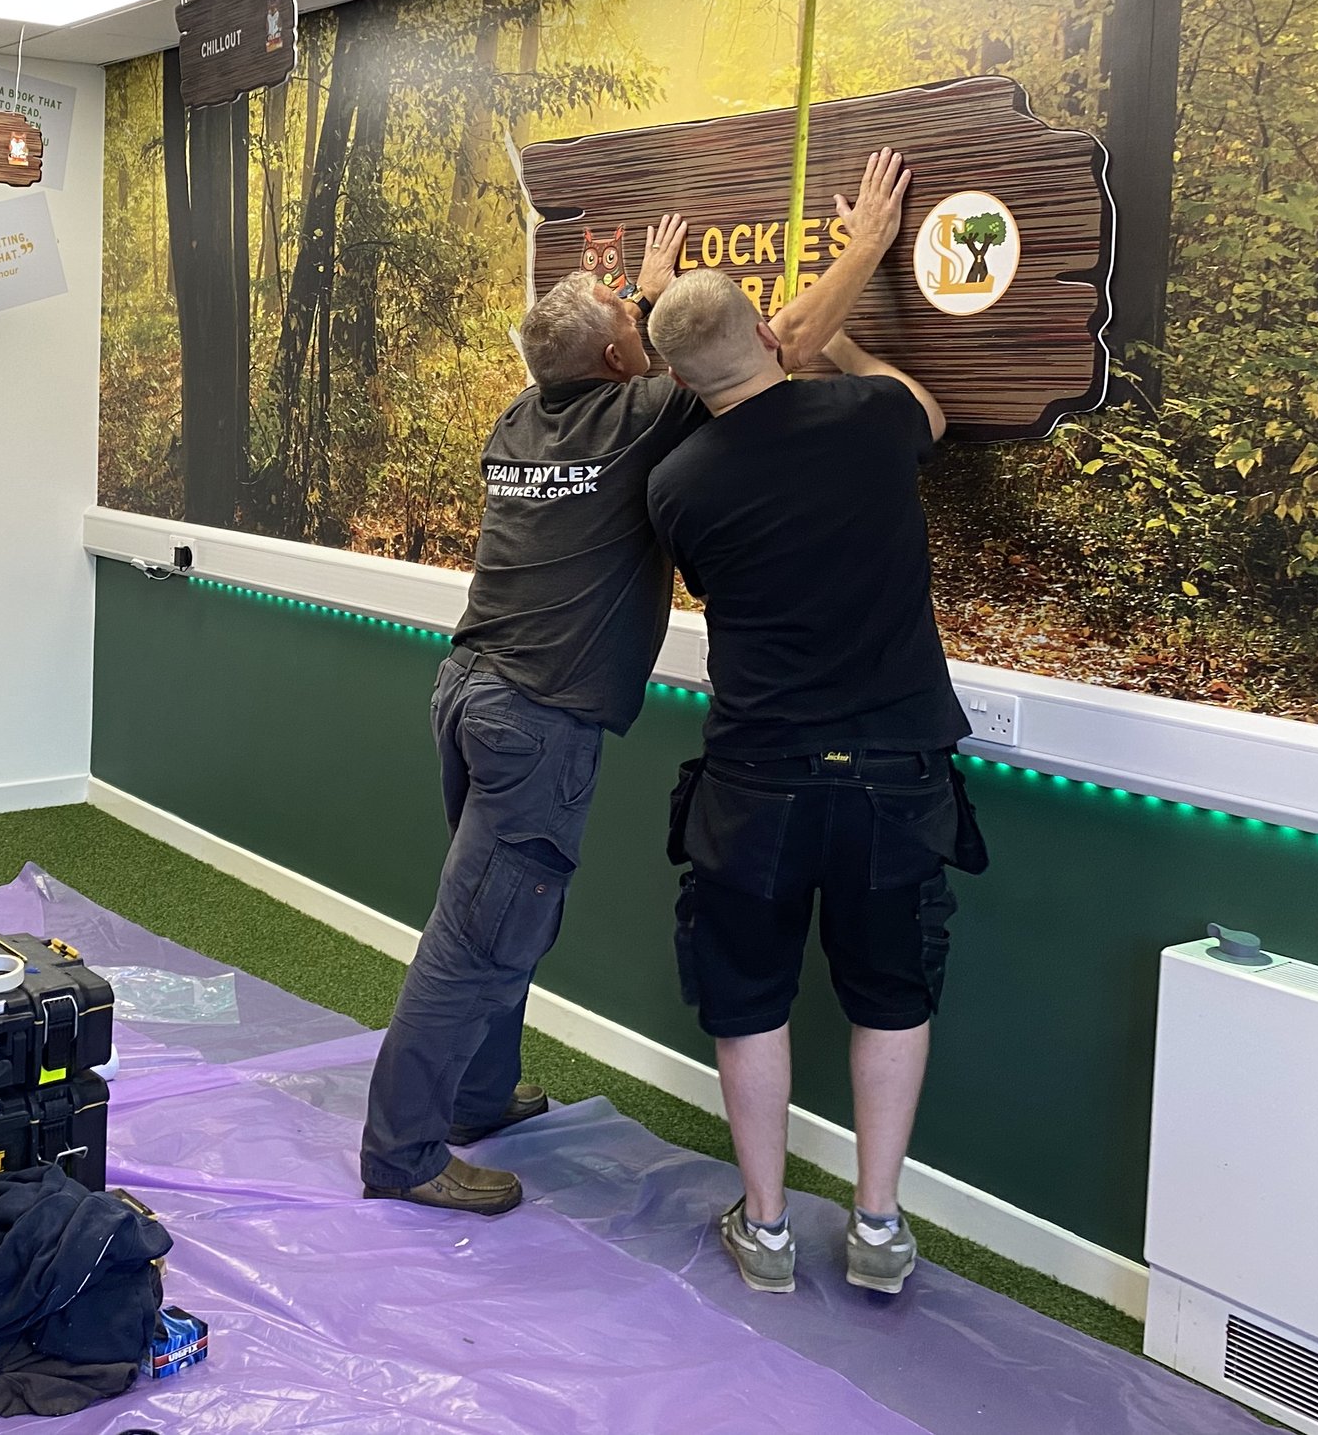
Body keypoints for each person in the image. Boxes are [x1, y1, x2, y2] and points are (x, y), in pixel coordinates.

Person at [359, 153, 909, 1218]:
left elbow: (602, 351)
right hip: (535, 719)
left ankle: (477, 1095)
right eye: (629, 320)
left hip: (468, 694)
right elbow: (777, 342)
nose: (639, 318)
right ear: (622, 358)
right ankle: (403, 1151)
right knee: (477, 939)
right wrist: (865, 249)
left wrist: (639, 298)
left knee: (503, 917)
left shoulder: (519, 420)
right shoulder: (641, 419)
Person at [643, 150, 985, 1297]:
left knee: (748, 1002)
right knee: (892, 996)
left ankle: (768, 1229)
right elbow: (928, 411)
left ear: (676, 375)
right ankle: (878, 1228)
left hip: (756, 782)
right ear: (769, 333)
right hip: (897, 775)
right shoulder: (868, 414)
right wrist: (840, 330)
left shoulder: (676, 485)